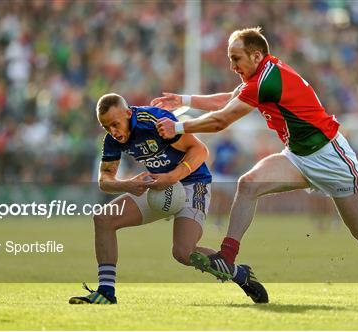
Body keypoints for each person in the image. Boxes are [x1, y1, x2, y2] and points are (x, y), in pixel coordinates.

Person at [151, 27, 358, 282]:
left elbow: (222, 120)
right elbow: (228, 101)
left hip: (331, 157)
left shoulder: (267, 80)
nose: (232, 66)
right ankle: (228, 256)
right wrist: (184, 100)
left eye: (236, 59)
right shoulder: (260, 76)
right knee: (248, 184)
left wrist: (178, 126)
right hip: (297, 156)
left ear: (256, 55)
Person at [68, 93, 267, 304]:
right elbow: (104, 181)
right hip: (160, 188)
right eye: (107, 127)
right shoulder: (112, 139)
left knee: (183, 252)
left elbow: (200, 150)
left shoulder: (155, 121)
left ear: (128, 113)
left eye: (116, 124)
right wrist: (127, 185)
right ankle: (106, 293)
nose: (113, 132)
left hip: (193, 183)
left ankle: (240, 274)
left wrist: (171, 177)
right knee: (104, 218)